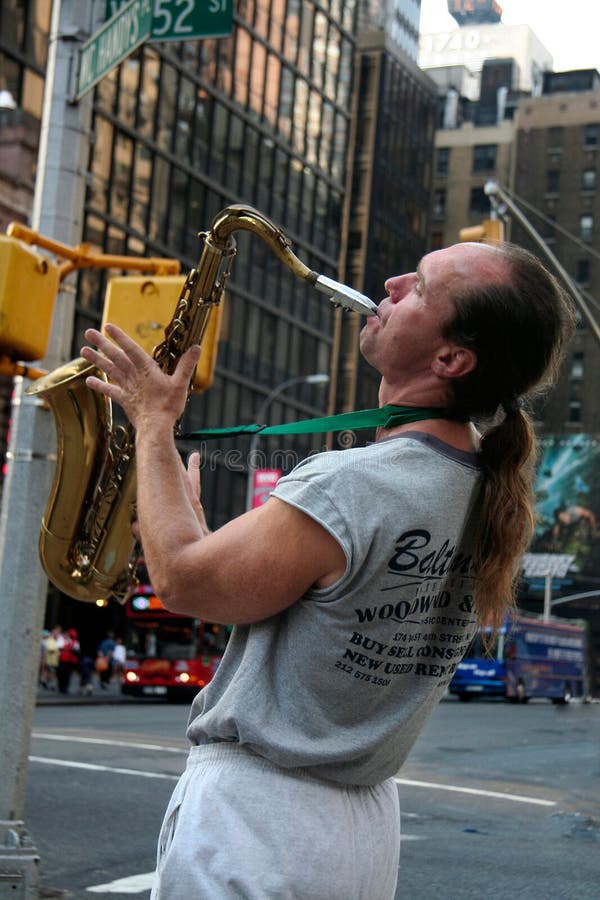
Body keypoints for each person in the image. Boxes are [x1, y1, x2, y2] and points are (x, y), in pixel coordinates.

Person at [82, 240, 574, 899]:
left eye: (421, 288)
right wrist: (193, 531)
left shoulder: (354, 485)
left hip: (259, 823)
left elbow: (182, 582)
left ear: (451, 360)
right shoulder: (486, 491)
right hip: (361, 831)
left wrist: (151, 418)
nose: (392, 281)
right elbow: (286, 604)